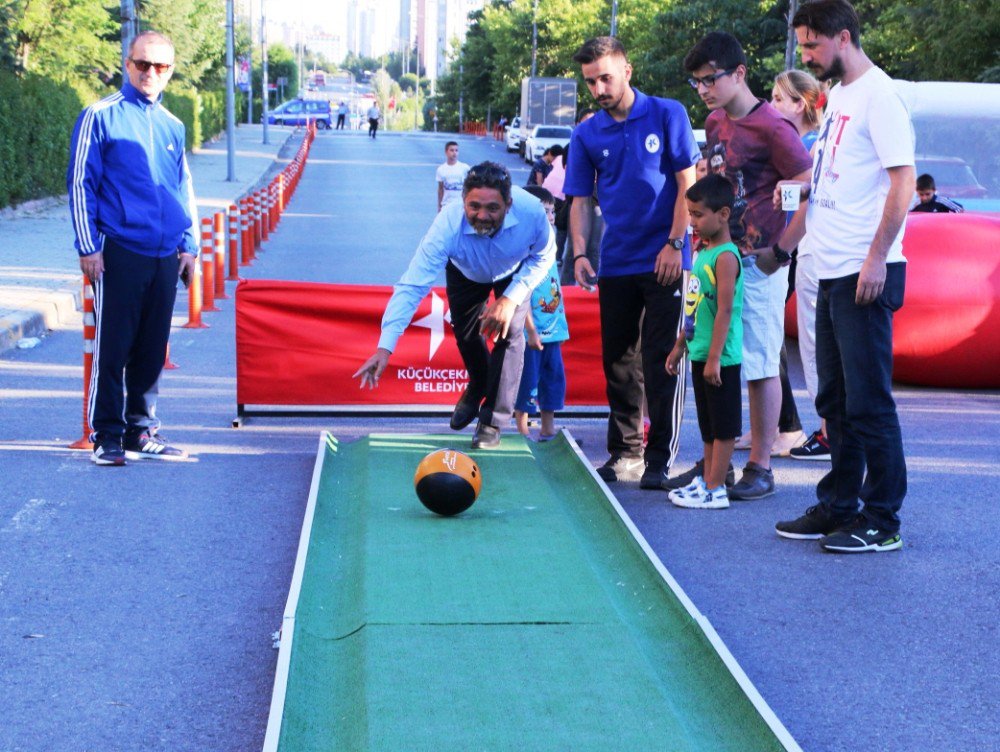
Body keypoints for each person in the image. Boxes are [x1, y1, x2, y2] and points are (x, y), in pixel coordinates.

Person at [774, 0, 915, 553]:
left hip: (864, 270)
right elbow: (834, 182)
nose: (806, 55)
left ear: (844, 37)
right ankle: (840, 505)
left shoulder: (881, 95)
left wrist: (877, 257)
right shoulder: (838, 99)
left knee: (868, 401)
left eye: (812, 44)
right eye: (803, 44)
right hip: (829, 267)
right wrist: (785, 246)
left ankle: (883, 518)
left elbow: (902, 183)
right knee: (833, 398)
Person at [671, 32, 813, 502]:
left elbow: (810, 182)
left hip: (761, 262)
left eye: (711, 79)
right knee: (716, 356)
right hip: (718, 259)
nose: (705, 89)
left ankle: (761, 463)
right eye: (697, 83)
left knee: (758, 360)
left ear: (740, 73)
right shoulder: (714, 123)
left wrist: (783, 250)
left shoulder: (774, 126)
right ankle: (718, 458)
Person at [563, 36, 700, 488]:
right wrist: (582, 252)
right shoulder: (585, 133)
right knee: (620, 361)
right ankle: (626, 453)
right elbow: (580, 199)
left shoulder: (667, 112)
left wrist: (675, 243)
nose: (599, 88)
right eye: (590, 82)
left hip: (666, 257)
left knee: (663, 358)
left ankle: (660, 458)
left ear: (627, 70)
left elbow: (688, 184)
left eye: (605, 77)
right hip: (617, 261)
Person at [353, 162, 556, 449]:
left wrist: (510, 298)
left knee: (510, 333)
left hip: (514, 272)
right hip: (465, 270)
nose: (482, 216)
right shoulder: (446, 225)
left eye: (492, 208)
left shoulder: (532, 212)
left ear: (508, 203)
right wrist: (385, 347)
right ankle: (478, 383)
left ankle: (492, 421)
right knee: (465, 331)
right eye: (474, 206)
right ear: (463, 201)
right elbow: (413, 285)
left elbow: (546, 256)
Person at [67, 30, 197, 466]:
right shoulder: (99, 116)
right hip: (118, 248)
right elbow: (81, 184)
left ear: (170, 72)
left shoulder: (173, 126)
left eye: (160, 67)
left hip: (165, 254)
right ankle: (106, 435)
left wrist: (189, 245)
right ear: (128, 64)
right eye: (143, 64)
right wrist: (88, 246)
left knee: (152, 347)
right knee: (113, 346)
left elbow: (182, 187)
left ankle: (141, 431)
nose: (150, 74)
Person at [666, 175, 744, 509]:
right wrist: (680, 345)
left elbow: (726, 310)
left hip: (720, 357)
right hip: (699, 352)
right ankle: (708, 480)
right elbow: (693, 305)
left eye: (698, 215)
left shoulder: (726, 256)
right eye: (691, 214)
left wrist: (714, 358)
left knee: (723, 425)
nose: (693, 222)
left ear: (723, 214)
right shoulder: (703, 254)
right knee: (708, 425)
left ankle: (716, 487)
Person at [771, 68, 832, 462]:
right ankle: (787, 425)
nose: (772, 106)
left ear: (800, 104)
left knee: (813, 340)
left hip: (805, 251)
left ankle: (826, 429)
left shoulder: (809, 145)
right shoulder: (797, 141)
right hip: (798, 249)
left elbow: (804, 204)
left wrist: (781, 249)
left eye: (779, 99)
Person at [513, 186, 569, 441]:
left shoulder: (552, 242)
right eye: (544, 211)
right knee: (528, 381)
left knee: (552, 380)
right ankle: (523, 431)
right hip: (531, 331)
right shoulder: (522, 248)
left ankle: (548, 428)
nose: (550, 216)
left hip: (553, 328)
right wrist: (531, 329)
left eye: (552, 211)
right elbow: (520, 294)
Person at [436, 141, 470, 212]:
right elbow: (440, 189)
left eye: (456, 150)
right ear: (446, 152)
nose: (454, 153)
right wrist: (439, 205)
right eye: (452, 150)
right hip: (446, 205)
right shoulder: (441, 169)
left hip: (461, 205)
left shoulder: (465, 168)